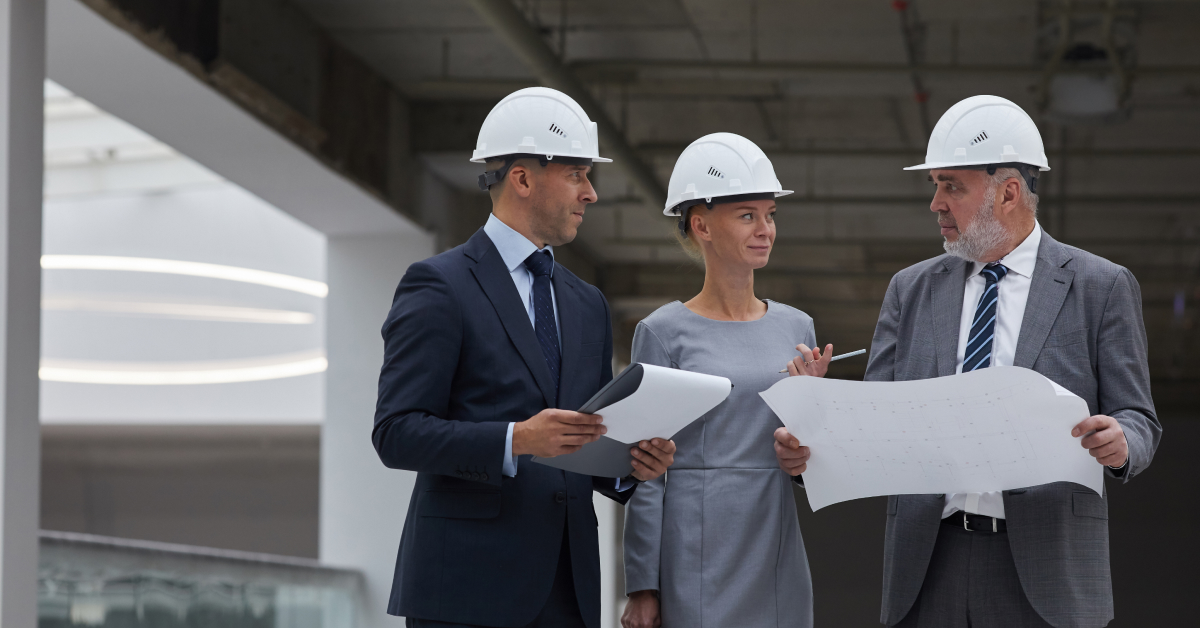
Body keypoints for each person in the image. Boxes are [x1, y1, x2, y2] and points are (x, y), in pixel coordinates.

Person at [774, 95, 1161, 628]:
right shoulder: (909, 290)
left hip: (1049, 568)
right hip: (928, 564)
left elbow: (1140, 420)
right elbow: (874, 427)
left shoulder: (1101, 287)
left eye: (951, 185)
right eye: (935, 185)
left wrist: (1121, 444)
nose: (935, 203)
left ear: (1008, 192)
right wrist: (814, 432)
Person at [373, 87, 677, 628]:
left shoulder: (587, 303)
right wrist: (515, 439)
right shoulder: (438, 285)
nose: (591, 194)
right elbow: (396, 432)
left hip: (569, 590)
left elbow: (583, 441)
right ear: (522, 178)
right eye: (578, 174)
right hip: (466, 592)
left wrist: (631, 466)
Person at [621, 133, 832, 628]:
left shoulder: (796, 328)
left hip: (774, 545)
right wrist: (643, 585)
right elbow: (645, 471)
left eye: (770, 215)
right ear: (701, 225)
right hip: (695, 554)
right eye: (747, 215)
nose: (765, 229)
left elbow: (812, 463)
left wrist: (814, 427)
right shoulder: (662, 332)